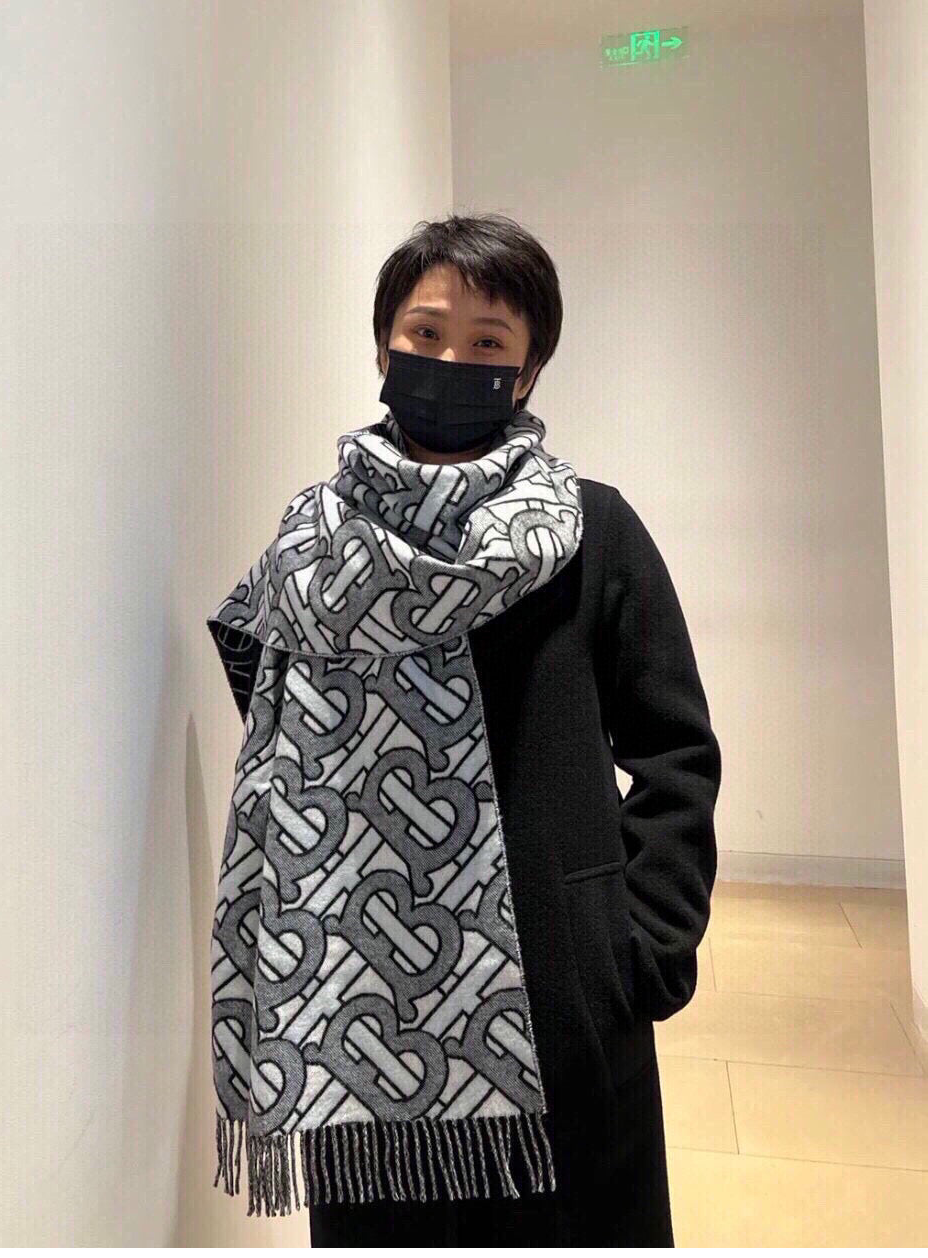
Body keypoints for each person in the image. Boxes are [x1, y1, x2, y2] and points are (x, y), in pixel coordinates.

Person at [207, 213, 721, 1247]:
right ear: (383, 346)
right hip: (359, 1014)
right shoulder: (314, 544)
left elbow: (675, 750)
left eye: (489, 341)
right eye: (426, 332)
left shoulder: (593, 531)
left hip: (562, 1007)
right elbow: (265, 695)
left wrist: (641, 948)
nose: (449, 361)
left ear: (527, 371)